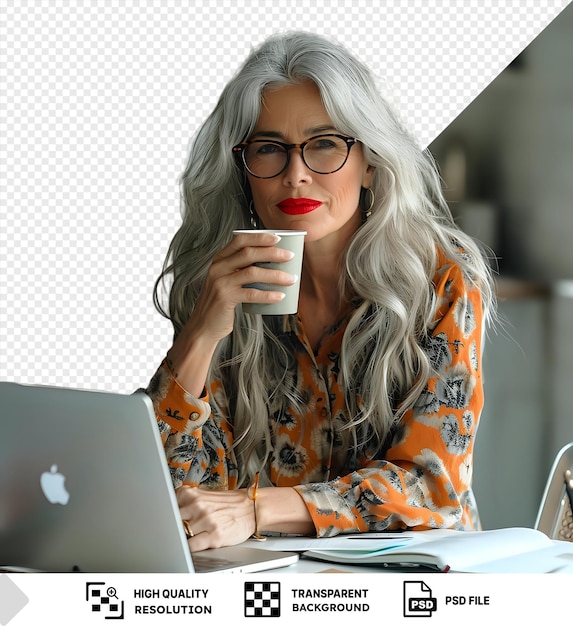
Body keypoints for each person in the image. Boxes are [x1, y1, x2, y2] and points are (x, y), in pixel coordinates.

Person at [146, 30, 496, 552]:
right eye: (269, 149)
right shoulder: (220, 284)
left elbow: (431, 486)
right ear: (243, 173)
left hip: (418, 575)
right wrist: (199, 335)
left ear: (371, 163)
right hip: (273, 578)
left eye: (325, 145)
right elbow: (174, 495)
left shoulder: (439, 277)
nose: (296, 175)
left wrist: (255, 508)